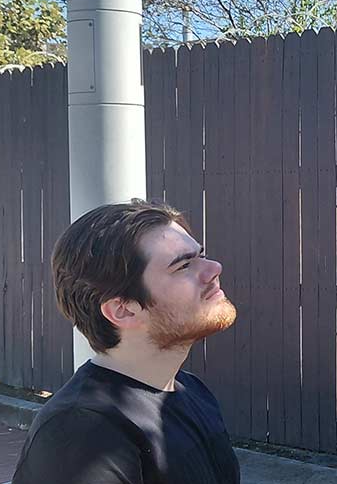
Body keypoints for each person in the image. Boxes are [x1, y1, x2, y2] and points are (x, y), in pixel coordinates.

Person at [12, 199, 239, 484]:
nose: (213, 268)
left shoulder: (190, 391)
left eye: (201, 256)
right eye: (183, 266)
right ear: (123, 310)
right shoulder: (82, 432)